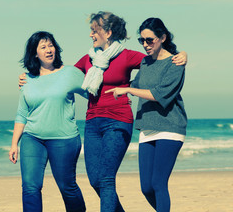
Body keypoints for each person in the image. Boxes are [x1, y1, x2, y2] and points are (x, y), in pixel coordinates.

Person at [19, 12, 187, 212]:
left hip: (118, 120)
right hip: (92, 122)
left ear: (107, 33)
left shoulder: (127, 56)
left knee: (107, 178)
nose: (90, 35)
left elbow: (159, 60)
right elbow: (61, 75)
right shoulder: (88, 59)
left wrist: (182, 55)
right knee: (95, 180)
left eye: (94, 30)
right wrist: (30, 75)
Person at [105, 17, 187, 212]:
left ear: (162, 37)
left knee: (158, 184)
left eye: (149, 40)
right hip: (147, 127)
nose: (145, 44)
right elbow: (134, 85)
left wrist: (128, 91)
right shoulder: (145, 62)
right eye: (142, 40)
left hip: (170, 127)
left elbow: (159, 95)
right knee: (146, 188)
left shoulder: (175, 62)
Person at [9, 31, 87, 212]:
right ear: (35, 53)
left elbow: (93, 94)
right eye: (43, 47)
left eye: (51, 45)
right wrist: (14, 144)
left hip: (64, 139)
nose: (48, 50)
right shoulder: (27, 79)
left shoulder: (70, 73)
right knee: (30, 187)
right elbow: (22, 113)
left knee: (67, 187)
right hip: (32, 138)